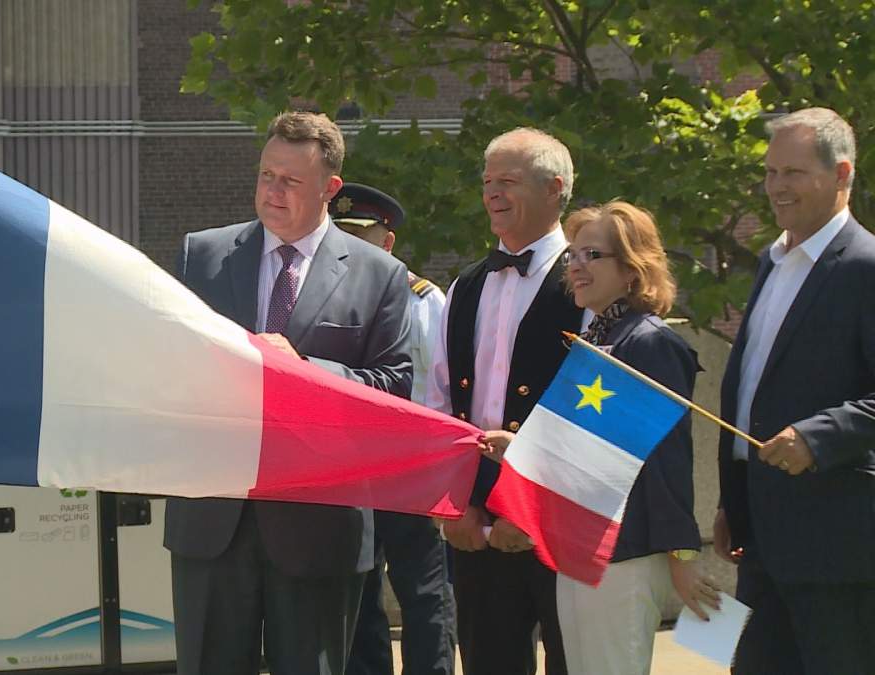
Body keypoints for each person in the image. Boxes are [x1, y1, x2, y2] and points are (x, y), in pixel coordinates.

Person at [163, 111, 414, 675]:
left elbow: (394, 388)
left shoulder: (378, 274)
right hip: (213, 519)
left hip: (318, 525)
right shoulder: (202, 255)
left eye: (291, 181)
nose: (272, 191)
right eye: (266, 175)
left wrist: (303, 370)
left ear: (329, 189)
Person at [482, 201, 722, 675]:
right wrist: (520, 452)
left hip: (625, 554)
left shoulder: (651, 343)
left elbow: (666, 462)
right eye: (572, 255)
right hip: (579, 547)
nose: (575, 266)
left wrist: (681, 556)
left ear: (633, 269)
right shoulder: (596, 337)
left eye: (592, 255)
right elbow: (583, 450)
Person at [715, 107, 875, 673]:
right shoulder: (772, 260)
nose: (776, 187)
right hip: (758, 536)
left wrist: (817, 436)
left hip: (837, 548)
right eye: (770, 172)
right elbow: (753, 388)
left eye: (793, 173)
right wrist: (731, 499)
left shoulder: (866, 266)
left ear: (841, 173)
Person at [425, 127, 586, 675]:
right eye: (487, 181)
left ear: (554, 189)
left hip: (561, 520)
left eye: (509, 181)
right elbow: (441, 402)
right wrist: (455, 504)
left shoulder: (586, 283)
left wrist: (531, 510)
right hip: (476, 523)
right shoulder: (465, 286)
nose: (492, 192)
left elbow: (593, 418)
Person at [330, 183, 456, 675]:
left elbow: (445, 391)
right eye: (341, 234)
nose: (349, 246)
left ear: (387, 242)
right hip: (350, 468)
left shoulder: (422, 301)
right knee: (358, 593)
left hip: (411, 468)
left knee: (423, 592)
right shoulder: (329, 296)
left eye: (360, 236)